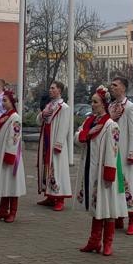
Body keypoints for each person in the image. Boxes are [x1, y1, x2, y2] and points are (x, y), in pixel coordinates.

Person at [77, 86, 128, 256]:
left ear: (103, 104)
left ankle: (107, 243)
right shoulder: (90, 121)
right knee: (96, 206)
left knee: (108, 207)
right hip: (90, 168)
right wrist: (87, 133)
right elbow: (78, 137)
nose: (92, 105)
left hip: (104, 171)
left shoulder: (110, 125)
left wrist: (109, 172)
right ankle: (93, 241)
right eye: (92, 101)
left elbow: (113, 150)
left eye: (95, 102)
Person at [108, 76, 133, 235]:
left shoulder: (130, 107)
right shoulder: (110, 107)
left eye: (115, 85)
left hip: (125, 153)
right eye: (112, 85)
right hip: (113, 151)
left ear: (123, 88)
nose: (112, 87)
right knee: (115, 184)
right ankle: (118, 216)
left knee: (129, 184)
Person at [0, 88, 26, 223]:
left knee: (12, 184)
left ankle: (13, 212)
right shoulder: (5, 116)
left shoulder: (15, 118)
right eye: (2, 100)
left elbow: (15, 138)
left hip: (11, 157)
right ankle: (2, 210)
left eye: (5, 101)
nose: (3, 103)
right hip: (2, 155)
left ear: (12, 102)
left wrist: (10, 155)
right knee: (4, 183)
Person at [37, 81, 73, 211]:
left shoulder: (64, 107)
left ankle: (60, 198)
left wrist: (58, 144)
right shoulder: (49, 105)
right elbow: (39, 120)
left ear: (59, 90)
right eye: (50, 88)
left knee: (58, 169)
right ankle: (50, 195)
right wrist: (42, 115)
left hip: (55, 142)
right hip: (46, 139)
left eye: (53, 88)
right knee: (47, 167)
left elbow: (64, 127)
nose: (50, 90)